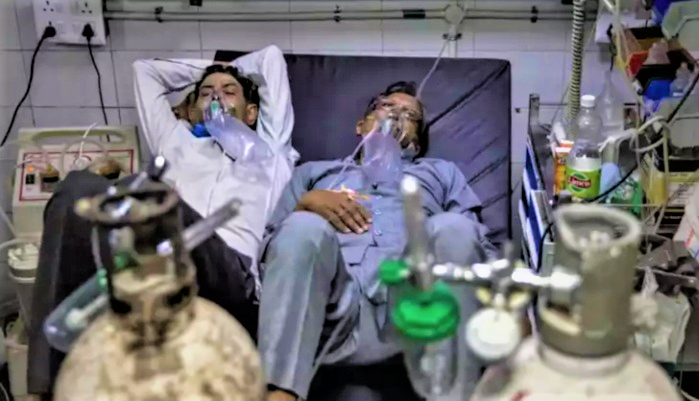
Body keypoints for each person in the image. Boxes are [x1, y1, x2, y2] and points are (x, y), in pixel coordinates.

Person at [27, 45, 297, 398]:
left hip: (230, 274)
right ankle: (44, 388)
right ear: (191, 109)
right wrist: (213, 74)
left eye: (229, 92)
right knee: (76, 190)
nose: (216, 96)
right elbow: (145, 70)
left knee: (158, 200)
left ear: (251, 113)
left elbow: (271, 58)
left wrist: (226, 69)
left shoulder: (271, 150)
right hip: (154, 261)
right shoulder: (174, 140)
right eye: (206, 93)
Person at [258, 81, 498, 401]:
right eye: (386, 107)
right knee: (302, 226)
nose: (396, 115)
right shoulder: (314, 174)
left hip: (414, 305)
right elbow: (271, 249)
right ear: (361, 126)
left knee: (454, 227)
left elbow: (477, 248)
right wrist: (306, 206)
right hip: (330, 307)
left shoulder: (442, 173)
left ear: (417, 141)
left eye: (409, 115)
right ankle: (279, 394)